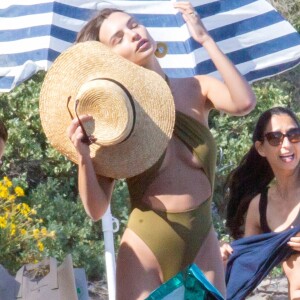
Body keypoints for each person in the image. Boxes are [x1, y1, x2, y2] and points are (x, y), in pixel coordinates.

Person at [67, 2, 256, 299]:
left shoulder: (197, 88)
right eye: (118, 38)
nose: (133, 34)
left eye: (133, 24)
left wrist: (205, 39)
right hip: (146, 245)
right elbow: (96, 209)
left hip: (202, 239)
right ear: (109, 58)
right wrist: (83, 158)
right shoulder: (115, 120)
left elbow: (244, 103)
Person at [222, 107, 300, 299]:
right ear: (261, 148)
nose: (287, 145)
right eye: (275, 138)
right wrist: (223, 256)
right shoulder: (260, 206)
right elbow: (247, 267)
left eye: (294, 135)